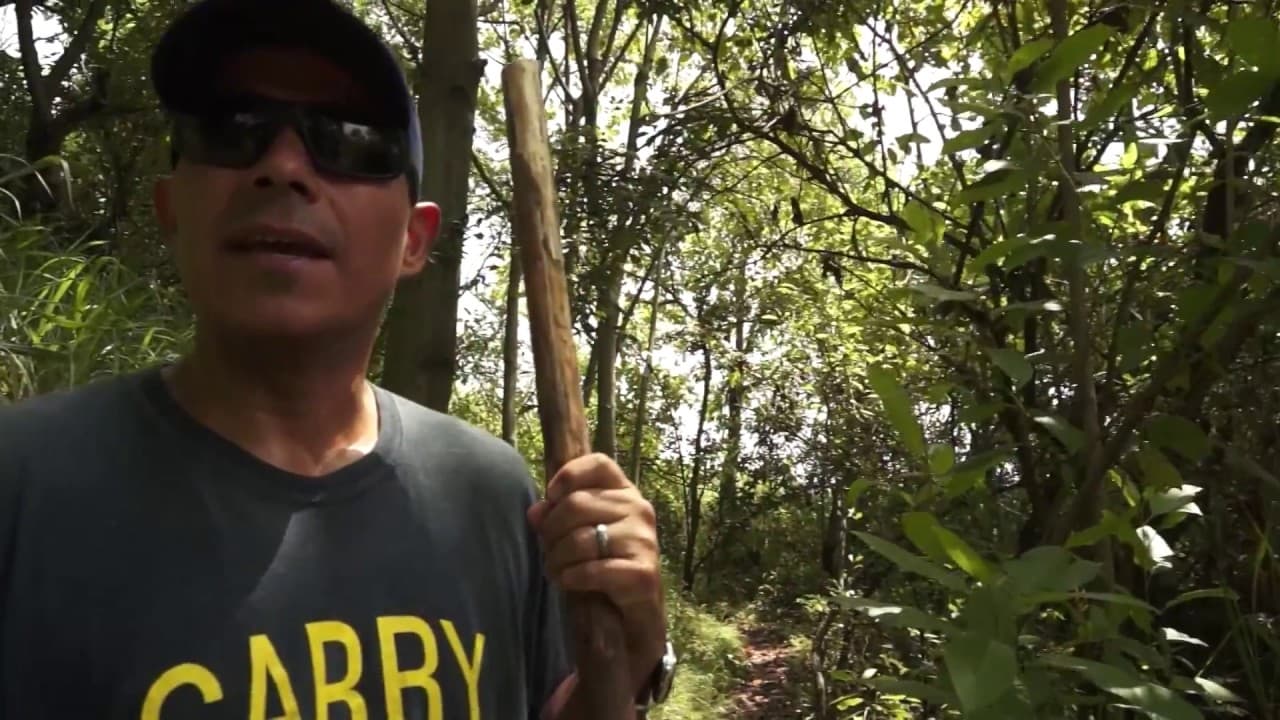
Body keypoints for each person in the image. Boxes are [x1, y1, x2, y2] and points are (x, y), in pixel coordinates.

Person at [0, 0, 676, 717]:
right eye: (235, 131)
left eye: (349, 141)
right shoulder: (24, 483)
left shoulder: (497, 497)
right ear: (172, 208)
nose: (284, 167)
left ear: (414, 241)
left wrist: (629, 661)